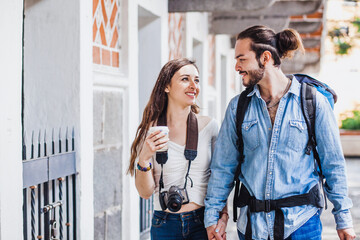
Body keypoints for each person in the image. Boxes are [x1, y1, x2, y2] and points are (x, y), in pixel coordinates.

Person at [204, 25, 356, 240]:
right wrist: (213, 216)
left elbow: (333, 164)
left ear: (265, 58)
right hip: (252, 228)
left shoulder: (313, 102)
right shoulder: (237, 107)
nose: (237, 67)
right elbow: (223, 167)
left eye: (242, 59)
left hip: (302, 225)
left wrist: (344, 219)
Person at [128, 58, 228, 240]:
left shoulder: (209, 126)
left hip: (203, 221)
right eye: (185, 79)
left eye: (196, 80)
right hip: (164, 223)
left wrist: (222, 217)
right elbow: (145, 192)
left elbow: (220, 177)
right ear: (166, 86)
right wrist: (143, 158)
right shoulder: (151, 131)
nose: (193, 86)